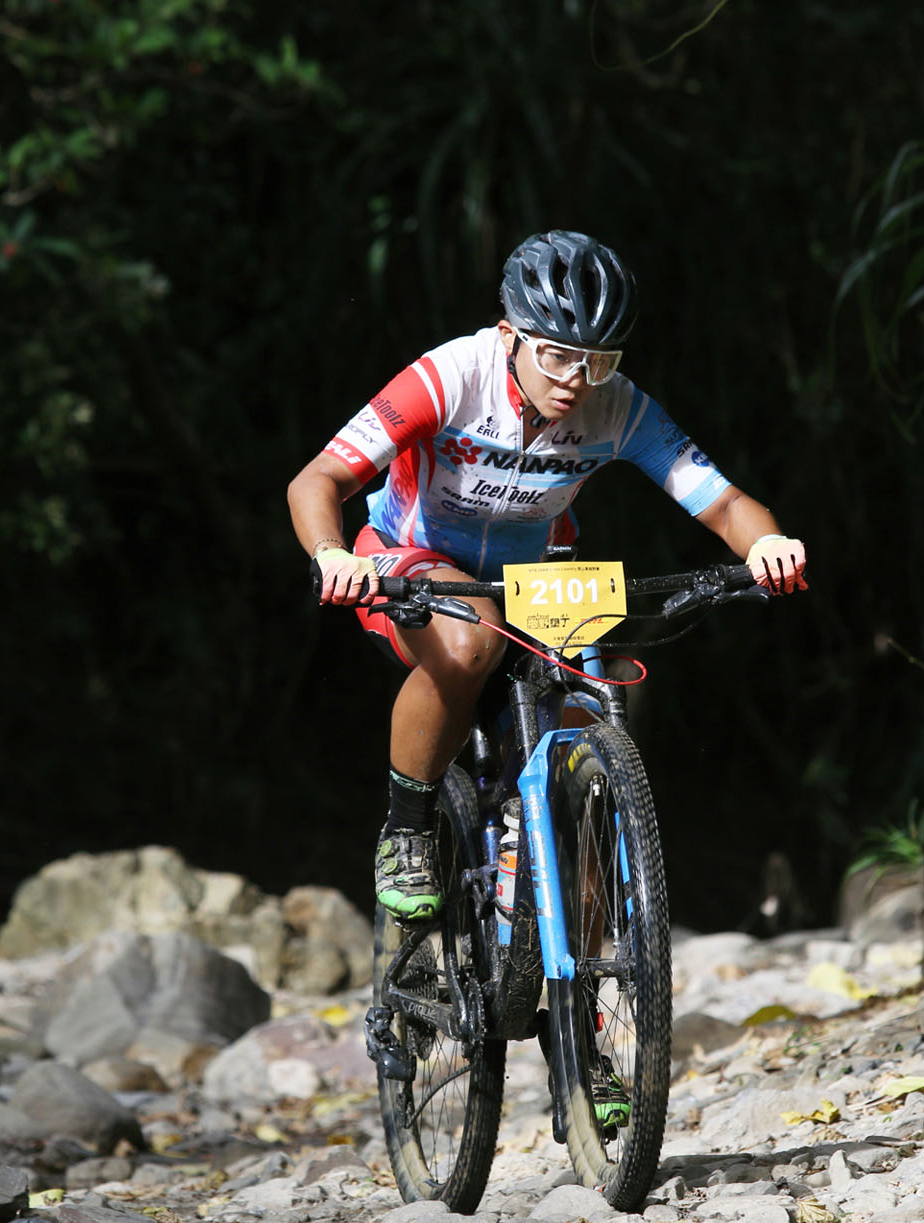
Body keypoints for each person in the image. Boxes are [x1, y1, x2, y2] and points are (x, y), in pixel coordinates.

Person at [286, 230, 807, 922]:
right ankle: (408, 829)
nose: (576, 381)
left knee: (585, 712)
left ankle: (581, 951)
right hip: (406, 557)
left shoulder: (615, 404)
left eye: (599, 362)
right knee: (474, 642)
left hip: (533, 575)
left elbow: (727, 504)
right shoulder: (450, 376)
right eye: (558, 356)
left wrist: (768, 543)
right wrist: (331, 554)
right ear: (509, 337)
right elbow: (317, 479)